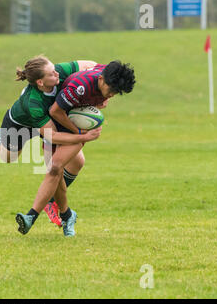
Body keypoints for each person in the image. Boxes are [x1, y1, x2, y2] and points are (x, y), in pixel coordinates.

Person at [0, 56, 102, 234]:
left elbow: (90, 65)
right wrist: (82, 137)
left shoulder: (58, 72)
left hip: (47, 122)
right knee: (6, 156)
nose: (56, 73)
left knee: (75, 162)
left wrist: (103, 81)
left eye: (54, 69)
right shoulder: (33, 101)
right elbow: (53, 136)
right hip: (21, 123)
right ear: (40, 82)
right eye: (51, 73)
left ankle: (54, 205)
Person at [16, 60, 136, 237]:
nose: (111, 95)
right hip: (63, 124)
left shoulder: (107, 74)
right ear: (101, 79)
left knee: (56, 167)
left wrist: (97, 104)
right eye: (110, 90)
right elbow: (56, 111)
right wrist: (79, 133)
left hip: (77, 124)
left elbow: (94, 65)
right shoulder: (80, 86)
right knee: (67, 166)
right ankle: (67, 215)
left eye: (116, 93)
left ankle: (30, 217)